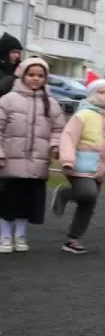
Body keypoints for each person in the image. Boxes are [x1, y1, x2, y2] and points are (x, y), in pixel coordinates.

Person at [54, 71, 105, 254]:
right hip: (78, 166)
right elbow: (68, 138)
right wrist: (67, 160)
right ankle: (64, 193)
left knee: (88, 205)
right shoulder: (82, 115)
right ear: (92, 94)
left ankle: (72, 240)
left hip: (99, 169)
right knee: (88, 193)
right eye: (101, 92)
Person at [0, 57, 64, 253]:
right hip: (9, 163)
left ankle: (20, 236)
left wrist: (54, 146)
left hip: (37, 164)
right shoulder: (8, 100)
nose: (35, 79)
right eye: (31, 74)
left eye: (40, 75)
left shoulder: (51, 103)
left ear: (45, 78)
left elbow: (58, 129)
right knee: (6, 202)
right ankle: (4, 237)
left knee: (27, 204)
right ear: (22, 75)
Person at [0, 32, 24, 97]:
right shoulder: (16, 72)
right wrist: (14, 76)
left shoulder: (19, 68)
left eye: (19, 52)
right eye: (13, 52)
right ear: (4, 53)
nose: (17, 55)